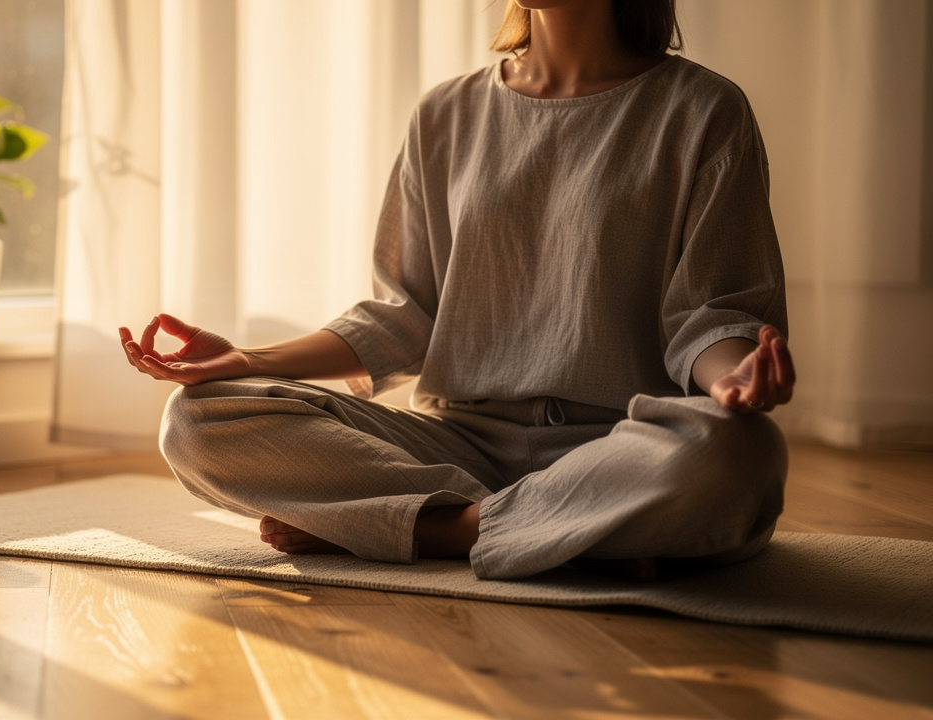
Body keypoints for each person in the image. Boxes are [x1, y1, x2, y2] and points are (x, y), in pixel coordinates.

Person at [118, 0, 796, 581]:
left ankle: (429, 529)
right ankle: (558, 532)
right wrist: (247, 361)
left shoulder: (705, 111)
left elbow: (713, 315)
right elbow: (403, 315)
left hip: (620, 445)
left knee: (740, 453)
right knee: (195, 420)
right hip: (458, 447)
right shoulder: (445, 112)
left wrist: (733, 378)